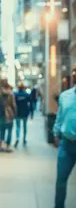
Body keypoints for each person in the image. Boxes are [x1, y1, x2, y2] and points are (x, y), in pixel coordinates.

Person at [53, 65, 76, 208]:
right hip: (66, 145)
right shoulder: (65, 96)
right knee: (61, 181)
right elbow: (60, 117)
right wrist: (56, 133)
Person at [0, 79, 16, 152]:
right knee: (9, 131)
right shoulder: (11, 94)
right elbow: (13, 105)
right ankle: (8, 146)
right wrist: (15, 113)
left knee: (2, 130)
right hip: (9, 114)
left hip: (1, 114)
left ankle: (2, 145)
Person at [14, 83, 31, 148]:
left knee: (18, 126)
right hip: (25, 113)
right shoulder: (26, 95)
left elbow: (14, 104)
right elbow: (30, 104)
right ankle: (24, 139)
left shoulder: (16, 95)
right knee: (24, 126)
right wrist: (31, 113)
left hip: (18, 113)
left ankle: (17, 138)